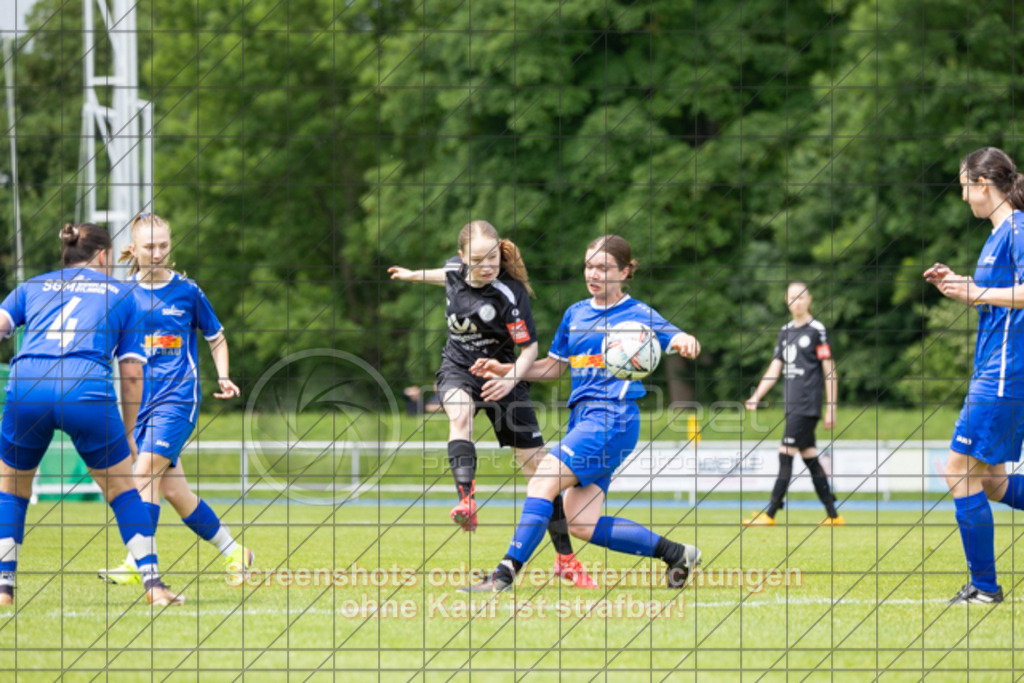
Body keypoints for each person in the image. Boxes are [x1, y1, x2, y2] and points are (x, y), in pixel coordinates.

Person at [461, 234, 702, 593]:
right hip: (586, 419)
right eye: (589, 265)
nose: (594, 273)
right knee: (580, 522)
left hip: (613, 417)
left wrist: (685, 341)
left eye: (604, 267)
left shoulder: (638, 316)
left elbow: (683, 339)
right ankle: (678, 553)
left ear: (625, 272)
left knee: (543, 479)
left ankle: (503, 575)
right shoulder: (575, 313)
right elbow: (552, 369)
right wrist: (506, 369)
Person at [389, 220, 596, 587]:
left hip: (505, 375)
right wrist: (410, 276)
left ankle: (566, 559)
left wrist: (509, 380)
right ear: (462, 258)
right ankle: (465, 499)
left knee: (540, 475)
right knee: (460, 415)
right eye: (478, 260)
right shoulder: (456, 271)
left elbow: (530, 349)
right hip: (459, 369)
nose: (487, 267)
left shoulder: (510, 293)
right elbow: (444, 275)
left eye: (493, 259)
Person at [0, 223, 182, 606]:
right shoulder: (123, 295)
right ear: (103, 255)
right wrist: (129, 432)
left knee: (12, 491)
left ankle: (3, 589)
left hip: (27, 384)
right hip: (84, 390)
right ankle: (154, 586)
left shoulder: (32, 286)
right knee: (122, 491)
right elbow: (132, 375)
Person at [97, 212, 251, 586]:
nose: (159, 252)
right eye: (150, 247)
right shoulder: (122, 296)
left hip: (179, 400)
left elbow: (216, 337)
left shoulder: (187, 291)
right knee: (174, 491)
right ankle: (235, 551)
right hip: (140, 405)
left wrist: (225, 376)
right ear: (134, 249)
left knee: (143, 472)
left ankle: (139, 561)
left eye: (164, 245)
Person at [924, 146, 1024, 605]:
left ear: (983, 184)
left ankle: (984, 587)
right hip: (993, 369)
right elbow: (999, 295)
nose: (964, 197)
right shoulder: (996, 235)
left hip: (1005, 374)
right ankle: (983, 584)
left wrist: (980, 289)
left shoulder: (1019, 229)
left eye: (965, 186)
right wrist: (961, 284)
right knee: (993, 481)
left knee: (957, 472)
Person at [743, 282, 842, 527]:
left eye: (800, 297)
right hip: (792, 406)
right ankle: (833, 515)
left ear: (809, 300)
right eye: (791, 297)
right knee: (810, 458)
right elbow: (775, 368)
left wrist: (831, 407)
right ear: (786, 301)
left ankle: (770, 514)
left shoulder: (817, 330)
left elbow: (830, 372)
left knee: (785, 455)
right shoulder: (785, 331)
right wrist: (757, 395)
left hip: (807, 406)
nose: (796, 301)